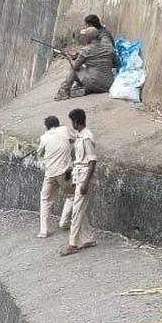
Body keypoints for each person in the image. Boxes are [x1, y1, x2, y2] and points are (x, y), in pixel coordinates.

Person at [60, 108, 97, 257]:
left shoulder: (87, 137)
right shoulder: (80, 136)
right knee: (80, 209)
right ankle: (88, 239)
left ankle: (73, 243)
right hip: (79, 174)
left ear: (75, 121)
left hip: (84, 176)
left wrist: (85, 183)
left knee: (76, 211)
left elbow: (92, 161)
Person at [37, 115, 75, 238]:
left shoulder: (44, 137)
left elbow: (39, 153)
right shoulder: (65, 130)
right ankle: (63, 222)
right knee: (71, 196)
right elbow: (73, 139)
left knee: (45, 200)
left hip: (50, 174)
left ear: (46, 127)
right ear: (58, 124)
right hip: (65, 173)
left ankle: (43, 230)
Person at [56, 28, 115, 101]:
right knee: (90, 71)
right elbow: (116, 64)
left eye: (85, 36)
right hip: (108, 85)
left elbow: (75, 67)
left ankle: (63, 92)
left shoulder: (86, 50)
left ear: (88, 38)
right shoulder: (108, 48)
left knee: (74, 69)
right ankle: (85, 89)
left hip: (93, 83)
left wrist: (69, 58)